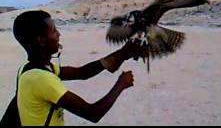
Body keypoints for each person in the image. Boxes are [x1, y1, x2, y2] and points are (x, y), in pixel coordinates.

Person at [11, 10, 143, 126]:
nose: (59, 34)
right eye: (53, 31)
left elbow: (82, 72)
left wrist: (122, 53)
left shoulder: (31, 69)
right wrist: (121, 84)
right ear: (41, 40)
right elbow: (93, 114)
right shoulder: (42, 79)